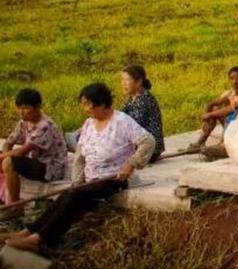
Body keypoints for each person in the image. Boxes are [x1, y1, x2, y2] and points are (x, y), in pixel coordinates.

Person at [2, 83, 155, 253]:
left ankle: (39, 239)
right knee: (66, 195)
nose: (84, 109)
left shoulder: (122, 121)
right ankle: (28, 232)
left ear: (102, 104)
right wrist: (77, 181)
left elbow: (148, 141)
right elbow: (80, 156)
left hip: (113, 179)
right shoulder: (89, 123)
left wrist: (130, 164)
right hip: (90, 179)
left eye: (87, 104)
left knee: (74, 197)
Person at [0, 89, 67, 218]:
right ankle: (3, 197)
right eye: (19, 108)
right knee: (5, 158)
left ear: (37, 107)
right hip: (35, 161)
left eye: (25, 108)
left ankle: (16, 207)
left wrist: (3, 157)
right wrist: (4, 152)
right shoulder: (24, 122)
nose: (21, 112)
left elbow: (21, 151)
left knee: (9, 162)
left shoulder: (45, 125)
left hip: (50, 167)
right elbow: (9, 142)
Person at [187, 66, 238, 152]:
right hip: (229, 123)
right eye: (232, 79)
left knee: (215, 112)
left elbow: (229, 109)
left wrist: (210, 114)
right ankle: (201, 141)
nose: (235, 82)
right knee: (215, 108)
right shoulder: (231, 93)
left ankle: (223, 144)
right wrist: (206, 120)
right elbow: (211, 104)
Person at [121, 65, 165, 162]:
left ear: (139, 81)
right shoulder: (131, 98)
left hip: (149, 149)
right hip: (137, 144)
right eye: (122, 80)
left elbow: (133, 124)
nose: (123, 83)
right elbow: (120, 117)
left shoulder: (145, 98)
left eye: (127, 80)